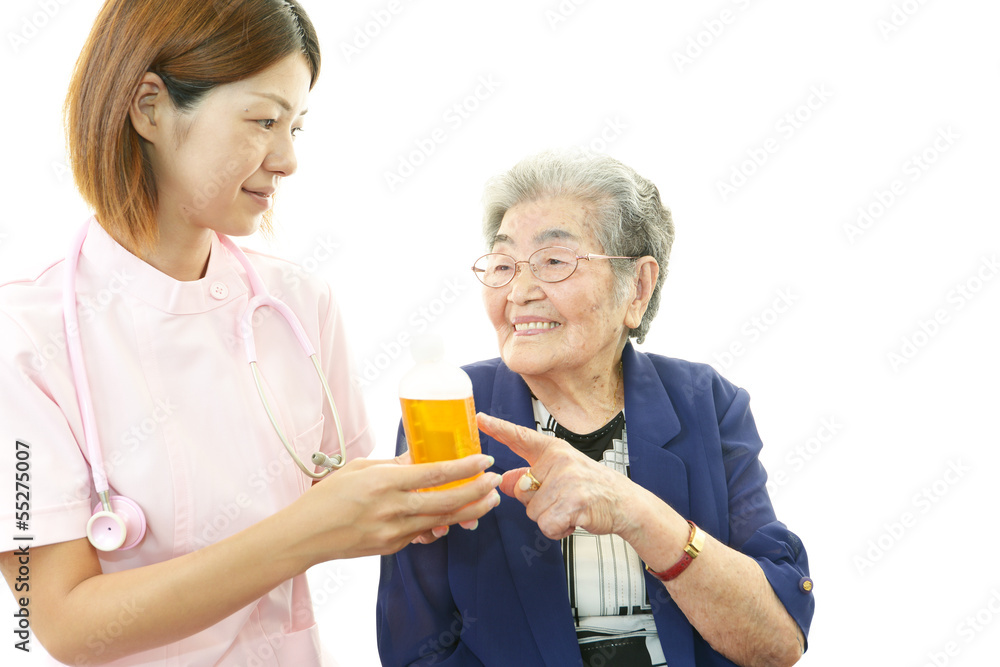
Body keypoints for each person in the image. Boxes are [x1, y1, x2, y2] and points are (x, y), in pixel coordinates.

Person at [0, 2, 501, 665]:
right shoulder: (24, 336)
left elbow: (341, 496)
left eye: (296, 127)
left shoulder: (299, 303)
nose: (288, 159)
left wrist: (421, 503)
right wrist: (308, 532)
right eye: (264, 121)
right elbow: (63, 622)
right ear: (150, 108)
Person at [376, 151, 814, 666]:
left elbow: (776, 642)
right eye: (503, 264)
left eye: (554, 261)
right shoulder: (445, 405)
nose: (519, 292)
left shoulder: (706, 401)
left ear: (638, 287)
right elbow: (416, 652)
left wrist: (634, 512)